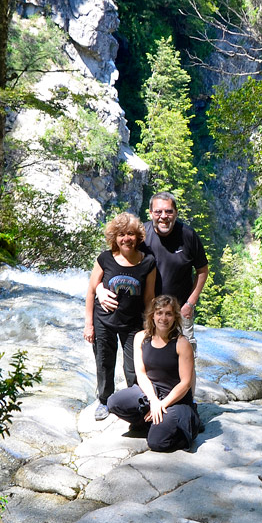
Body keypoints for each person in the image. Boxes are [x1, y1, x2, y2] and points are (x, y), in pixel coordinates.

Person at [97, 191, 208, 352]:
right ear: (151, 213)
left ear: (176, 212)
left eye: (169, 211)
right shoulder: (141, 237)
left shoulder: (188, 235)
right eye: (158, 212)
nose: (164, 216)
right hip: (146, 311)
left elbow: (202, 270)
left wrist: (190, 303)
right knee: (149, 357)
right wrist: (100, 289)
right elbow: (113, 263)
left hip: (180, 310)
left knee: (186, 356)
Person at [84, 212, 156, 420]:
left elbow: (150, 298)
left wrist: (149, 327)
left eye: (131, 234)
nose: (127, 239)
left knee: (133, 367)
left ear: (138, 237)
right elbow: (90, 291)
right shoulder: (105, 259)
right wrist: (89, 325)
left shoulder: (147, 262)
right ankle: (105, 401)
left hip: (133, 323)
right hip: (103, 321)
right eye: (122, 234)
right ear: (114, 237)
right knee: (104, 362)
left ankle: (135, 402)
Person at [107, 295, 201, 452]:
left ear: (175, 317)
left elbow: (185, 382)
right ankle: (150, 422)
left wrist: (162, 404)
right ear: (152, 315)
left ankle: (189, 424)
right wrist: (154, 401)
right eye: (159, 313)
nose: (163, 318)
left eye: (169, 314)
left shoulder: (182, 343)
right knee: (114, 402)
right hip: (151, 392)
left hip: (176, 400)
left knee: (157, 443)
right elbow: (141, 374)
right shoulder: (141, 338)